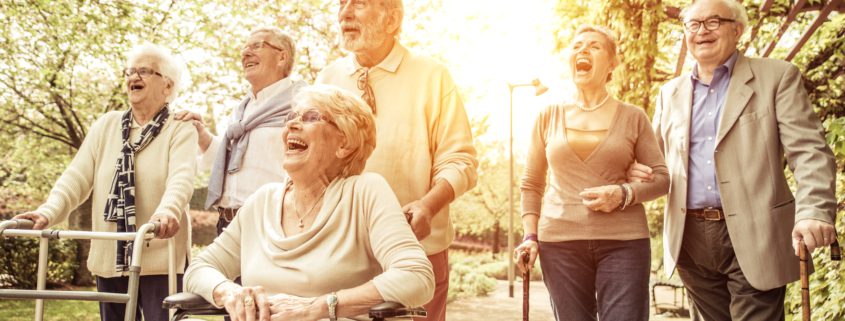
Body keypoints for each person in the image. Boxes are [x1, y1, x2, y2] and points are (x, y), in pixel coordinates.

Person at [628, 0, 837, 319]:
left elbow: (809, 152)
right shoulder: (670, 93)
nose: (701, 31)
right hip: (690, 239)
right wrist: (635, 171)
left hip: (758, 232)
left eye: (713, 22)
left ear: (737, 30)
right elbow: (655, 162)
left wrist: (814, 210)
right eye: (693, 25)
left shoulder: (777, 76)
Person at [184, 85, 434, 321]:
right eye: (291, 117)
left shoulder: (364, 192)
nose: (292, 124)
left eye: (311, 117)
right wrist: (230, 293)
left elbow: (416, 276)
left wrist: (318, 307)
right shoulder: (262, 201)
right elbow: (199, 268)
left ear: (344, 143)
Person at [317, 2, 477, 320]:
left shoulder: (432, 76)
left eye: (358, 4)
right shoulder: (328, 77)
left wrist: (428, 206)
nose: (344, 13)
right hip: (340, 249)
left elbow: (460, 161)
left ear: (392, 19)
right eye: (341, 4)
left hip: (415, 250)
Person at [13, 44, 197, 321]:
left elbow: (181, 178)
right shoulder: (107, 125)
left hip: (158, 252)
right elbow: (76, 177)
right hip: (110, 252)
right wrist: (47, 212)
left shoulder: (179, 127)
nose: (134, 77)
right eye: (131, 71)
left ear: (168, 86)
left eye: (145, 71)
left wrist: (168, 211)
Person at [512, 25, 669, 321]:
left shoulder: (633, 117)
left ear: (612, 64)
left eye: (595, 46)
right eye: (577, 45)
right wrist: (531, 236)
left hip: (624, 242)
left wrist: (623, 194)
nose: (583, 50)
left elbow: (662, 179)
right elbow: (531, 184)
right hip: (559, 243)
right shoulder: (548, 115)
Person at [175, 27, 305, 235]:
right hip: (227, 224)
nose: (245, 53)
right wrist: (202, 134)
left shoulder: (302, 104)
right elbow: (234, 157)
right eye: (244, 48)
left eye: (256, 46)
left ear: (281, 57)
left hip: (272, 224)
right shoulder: (242, 110)